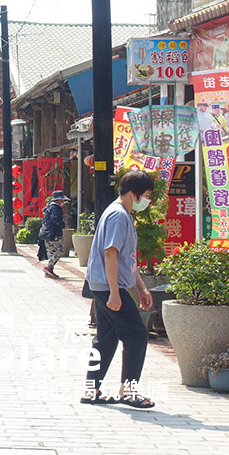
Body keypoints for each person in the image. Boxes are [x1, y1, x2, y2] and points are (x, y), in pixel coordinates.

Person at [82, 170, 156, 409]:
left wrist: (142, 288)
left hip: (103, 284)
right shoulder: (118, 216)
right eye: (145, 195)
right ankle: (129, 391)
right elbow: (110, 254)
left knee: (107, 338)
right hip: (107, 286)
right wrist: (115, 292)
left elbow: (126, 259)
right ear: (133, 194)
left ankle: (92, 390)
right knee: (136, 334)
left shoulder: (120, 214)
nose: (147, 201)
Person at [40, 190, 69, 278]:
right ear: (59, 200)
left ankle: (49, 271)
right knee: (59, 251)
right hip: (53, 233)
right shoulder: (56, 208)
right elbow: (55, 219)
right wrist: (63, 225)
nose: (63, 202)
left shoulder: (48, 207)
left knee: (51, 252)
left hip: (45, 233)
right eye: (62, 200)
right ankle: (49, 267)